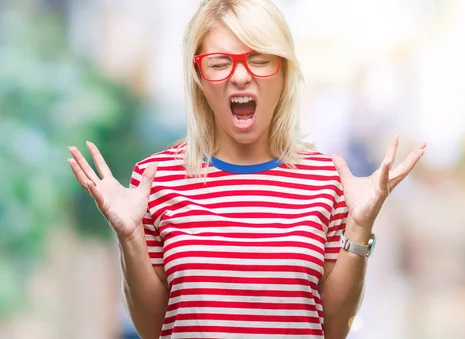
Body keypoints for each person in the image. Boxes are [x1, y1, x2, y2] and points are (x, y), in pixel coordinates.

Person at [67, 0, 425, 338]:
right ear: (199, 79)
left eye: (259, 59)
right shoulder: (155, 180)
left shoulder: (327, 180)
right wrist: (130, 238)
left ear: (283, 71)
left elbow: (334, 329)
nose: (240, 76)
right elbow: (152, 328)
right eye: (220, 63)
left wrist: (360, 227)